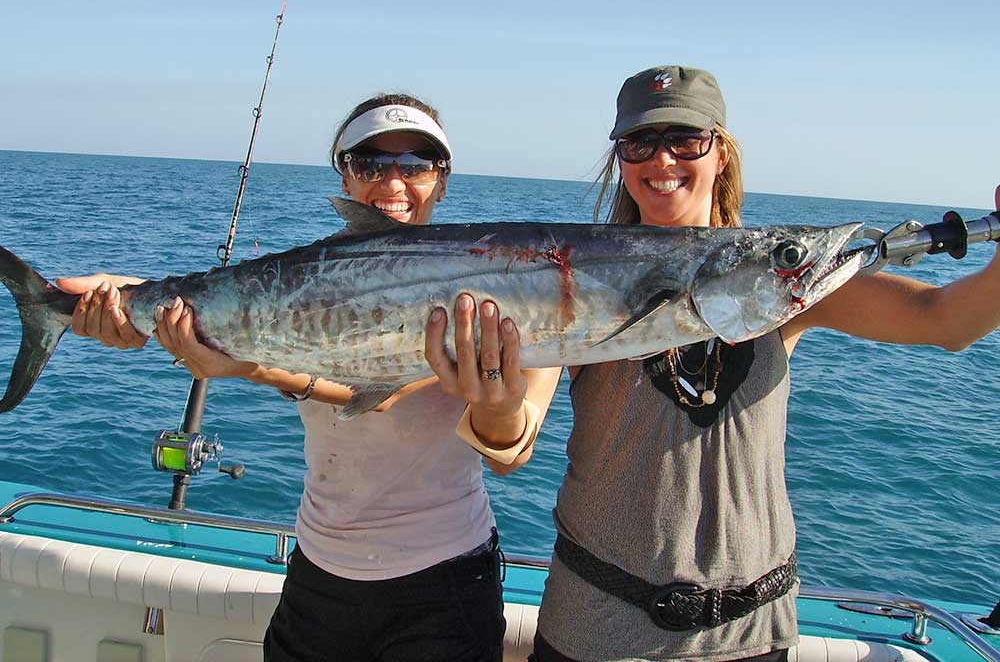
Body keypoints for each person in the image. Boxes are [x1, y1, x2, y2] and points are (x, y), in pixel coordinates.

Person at [508, 66, 999, 662]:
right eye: (640, 143)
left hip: (751, 634)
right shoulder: (565, 281)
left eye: (685, 140)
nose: (662, 161)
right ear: (621, 160)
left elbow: (944, 319)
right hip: (594, 626)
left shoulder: (779, 276)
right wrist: (492, 400)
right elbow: (511, 440)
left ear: (721, 154)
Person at [57, 92, 563, 662]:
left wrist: (250, 368)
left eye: (416, 165)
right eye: (370, 164)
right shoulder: (308, 278)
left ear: (442, 181)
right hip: (318, 571)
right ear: (344, 178)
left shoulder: (519, 291)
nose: (393, 181)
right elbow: (241, 306)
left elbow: (490, 444)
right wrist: (122, 300)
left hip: (445, 581)